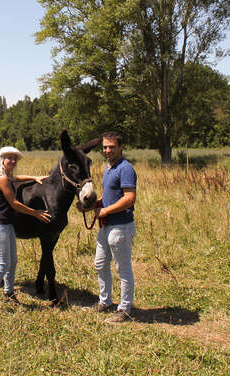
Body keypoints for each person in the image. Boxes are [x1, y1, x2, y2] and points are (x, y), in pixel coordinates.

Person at [0, 146, 51, 312]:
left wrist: (34, 177)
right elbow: (14, 204)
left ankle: (9, 293)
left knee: (13, 261)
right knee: (3, 263)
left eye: (15, 159)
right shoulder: (2, 179)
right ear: (2, 159)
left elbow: (17, 178)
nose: (13, 161)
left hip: (6, 224)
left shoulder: (4, 176)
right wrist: (35, 213)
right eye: (10, 158)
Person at [88, 131, 137, 323]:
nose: (107, 150)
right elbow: (111, 194)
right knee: (100, 264)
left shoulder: (125, 169)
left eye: (111, 147)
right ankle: (105, 301)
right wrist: (96, 203)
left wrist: (106, 211)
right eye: (105, 147)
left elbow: (129, 198)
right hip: (107, 226)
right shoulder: (109, 167)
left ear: (121, 147)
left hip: (120, 226)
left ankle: (125, 309)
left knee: (123, 269)